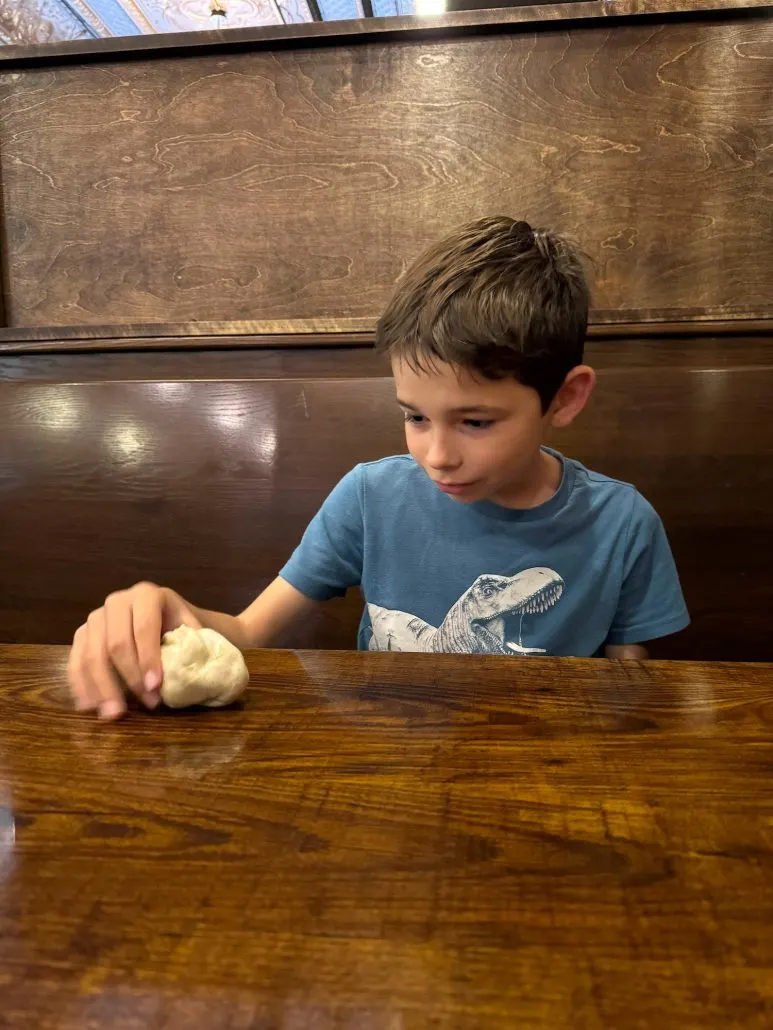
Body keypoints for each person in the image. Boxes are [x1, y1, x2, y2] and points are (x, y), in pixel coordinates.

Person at [67, 215, 689, 721]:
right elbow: (251, 633)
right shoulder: (370, 496)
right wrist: (171, 616)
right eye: (415, 417)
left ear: (565, 397)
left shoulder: (622, 524)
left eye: (475, 422)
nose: (437, 456)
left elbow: (631, 692)